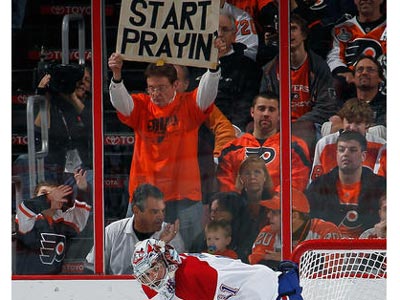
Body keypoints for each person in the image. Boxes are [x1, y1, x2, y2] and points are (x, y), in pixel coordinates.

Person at [107, 37, 224, 250]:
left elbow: (208, 92)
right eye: (151, 88)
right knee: (135, 249)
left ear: (176, 85)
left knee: (193, 252)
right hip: (145, 194)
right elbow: (121, 104)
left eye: (161, 87)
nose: (155, 93)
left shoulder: (188, 104)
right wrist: (116, 77)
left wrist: (213, 67)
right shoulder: (142, 105)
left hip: (184, 196)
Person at [13, 63, 93, 202]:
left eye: (86, 80)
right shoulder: (57, 104)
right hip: (53, 164)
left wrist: (72, 96)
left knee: (88, 176)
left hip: (79, 168)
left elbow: (92, 122)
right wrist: (47, 95)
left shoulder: (94, 104)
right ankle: (33, 216)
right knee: (24, 161)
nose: (81, 84)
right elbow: (39, 131)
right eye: (78, 80)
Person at [260, 13, 338, 154]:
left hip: (310, 125)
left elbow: (326, 107)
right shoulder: (269, 70)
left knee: (303, 129)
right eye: (284, 30)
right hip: (278, 124)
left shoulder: (319, 66)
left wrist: (294, 124)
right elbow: (264, 103)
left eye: (293, 28)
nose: (288, 34)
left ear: (304, 35)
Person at [131, 238, 304, 300]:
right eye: (144, 275)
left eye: (153, 269)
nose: (150, 277)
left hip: (270, 290)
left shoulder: (193, 274)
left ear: (166, 261)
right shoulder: (151, 283)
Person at [217, 91, 311, 193]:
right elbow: (225, 185)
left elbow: (296, 184)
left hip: (279, 208)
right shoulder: (231, 149)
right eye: (261, 109)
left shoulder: (293, 147)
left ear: (279, 114)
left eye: (271, 110)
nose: (266, 114)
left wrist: (269, 203)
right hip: (239, 207)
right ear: (252, 112)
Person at [85, 183, 184, 275]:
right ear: (136, 210)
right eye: (154, 212)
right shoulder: (112, 232)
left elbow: (176, 275)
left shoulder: (170, 235)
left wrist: (161, 244)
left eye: (163, 211)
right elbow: (90, 269)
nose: (161, 216)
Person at [173, 64, 236, 205]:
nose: (171, 85)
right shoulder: (151, 106)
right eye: (167, 79)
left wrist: (217, 158)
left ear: (185, 84)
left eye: (175, 81)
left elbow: (224, 129)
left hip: (195, 180)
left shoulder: (197, 102)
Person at [189, 12, 263, 132]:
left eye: (225, 29)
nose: (219, 34)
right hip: (195, 128)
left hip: (230, 129)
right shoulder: (193, 64)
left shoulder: (248, 67)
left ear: (234, 35)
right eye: (215, 29)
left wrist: (232, 129)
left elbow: (247, 104)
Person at [306, 131, 386, 238]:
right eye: (341, 150)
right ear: (336, 154)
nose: (345, 154)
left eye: (352, 150)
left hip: (370, 251)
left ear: (363, 156)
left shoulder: (381, 186)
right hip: (326, 251)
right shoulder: (318, 187)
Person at [14, 169, 92, 274]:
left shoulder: (65, 220)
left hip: (56, 283)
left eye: (56, 195)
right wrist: (49, 198)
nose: (51, 196)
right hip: (26, 283)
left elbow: (81, 213)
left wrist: (83, 188)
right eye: (44, 193)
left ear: (61, 203)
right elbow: (25, 209)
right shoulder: (28, 219)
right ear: (35, 198)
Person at [249, 188, 341, 269]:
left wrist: (286, 257)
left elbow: (332, 267)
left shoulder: (325, 230)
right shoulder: (269, 231)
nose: (268, 215)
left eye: (274, 212)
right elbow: (257, 264)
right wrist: (306, 261)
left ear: (294, 216)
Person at [310, 98, 386, 182]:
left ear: (367, 124)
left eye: (358, 123)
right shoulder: (325, 144)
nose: (352, 128)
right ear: (342, 121)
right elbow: (315, 182)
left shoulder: (381, 146)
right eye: (349, 122)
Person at [326, 0, 386, 99]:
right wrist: (344, 72)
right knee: (335, 84)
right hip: (351, 84)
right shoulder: (342, 29)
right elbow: (334, 56)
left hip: (383, 83)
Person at [323, 55, 387, 137]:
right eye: (360, 70)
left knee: (378, 130)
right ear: (353, 77)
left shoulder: (387, 104)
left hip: (375, 147)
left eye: (370, 70)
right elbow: (331, 125)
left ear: (380, 78)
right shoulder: (343, 101)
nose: (364, 73)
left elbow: (380, 131)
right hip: (340, 146)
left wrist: (344, 126)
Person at [190, 191, 252, 263]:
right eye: (212, 210)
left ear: (233, 211)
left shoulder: (248, 232)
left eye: (218, 210)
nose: (212, 214)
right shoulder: (206, 233)